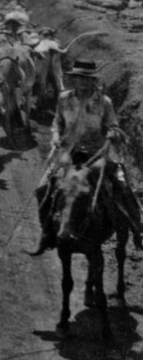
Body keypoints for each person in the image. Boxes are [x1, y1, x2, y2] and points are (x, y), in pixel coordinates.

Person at [34, 60, 143, 252]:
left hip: (96, 156)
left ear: (93, 81)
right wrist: (57, 138)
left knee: (123, 187)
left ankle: (138, 231)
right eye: (78, 78)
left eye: (86, 78)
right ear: (74, 79)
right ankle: (47, 234)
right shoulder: (64, 99)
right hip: (68, 156)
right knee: (42, 188)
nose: (82, 82)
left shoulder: (105, 102)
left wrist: (112, 133)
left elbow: (113, 126)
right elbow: (57, 123)